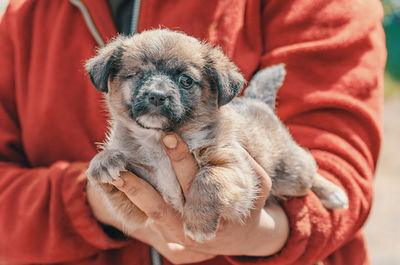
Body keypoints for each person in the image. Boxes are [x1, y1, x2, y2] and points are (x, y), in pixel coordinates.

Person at [0, 0, 386, 264]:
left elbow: (344, 164)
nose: (154, 91)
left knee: (299, 173)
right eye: (135, 77)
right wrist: (91, 200)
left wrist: (258, 236)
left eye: (184, 81)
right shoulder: (26, 15)